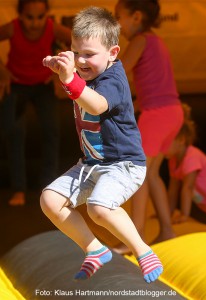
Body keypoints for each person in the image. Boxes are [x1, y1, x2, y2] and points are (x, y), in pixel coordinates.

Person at [40, 6, 163, 283]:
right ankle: (94, 249)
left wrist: (69, 78)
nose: (81, 61)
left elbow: (96, 105)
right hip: (91, 164)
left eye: (89, 54)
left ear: (113, 54)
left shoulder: (113, 79)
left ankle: (142, 249)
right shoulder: (85, 73)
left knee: (99, 208)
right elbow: (75, 82)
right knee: (50, 200)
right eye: (76, 51)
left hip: (124, 165)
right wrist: (61, 66)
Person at [113, 0, 184, 254]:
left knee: (137, 174)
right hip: (173, 113)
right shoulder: (156, 41)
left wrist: (88, 66)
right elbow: (153, 84)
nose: (116, 22)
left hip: (157, 115)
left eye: (118, 16)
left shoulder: (140, 41)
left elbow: (119, 69)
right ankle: (166, 230)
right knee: (151, 174)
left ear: (136, 17)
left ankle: (135, 237)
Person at [0, 0, 72, 206]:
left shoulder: (51, 28)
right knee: (15, 133)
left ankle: (48, 188)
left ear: (47, 15)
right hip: (16, 84)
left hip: (42, 85)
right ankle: (18, 189)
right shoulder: (13, 28)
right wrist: (2, 71)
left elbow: (77, 43)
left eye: (40, 17)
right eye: (29, 17)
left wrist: (62, 70)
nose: (35, 23)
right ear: (20, 16)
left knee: (52, 131)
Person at [165, 103, 206, 224]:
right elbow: (173, 190)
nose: (161, 148)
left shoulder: (192, 157)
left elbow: (188, 187)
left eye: (165, 143)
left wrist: (184, 215)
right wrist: (167, 215)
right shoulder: (173, 161)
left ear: (181, 140)